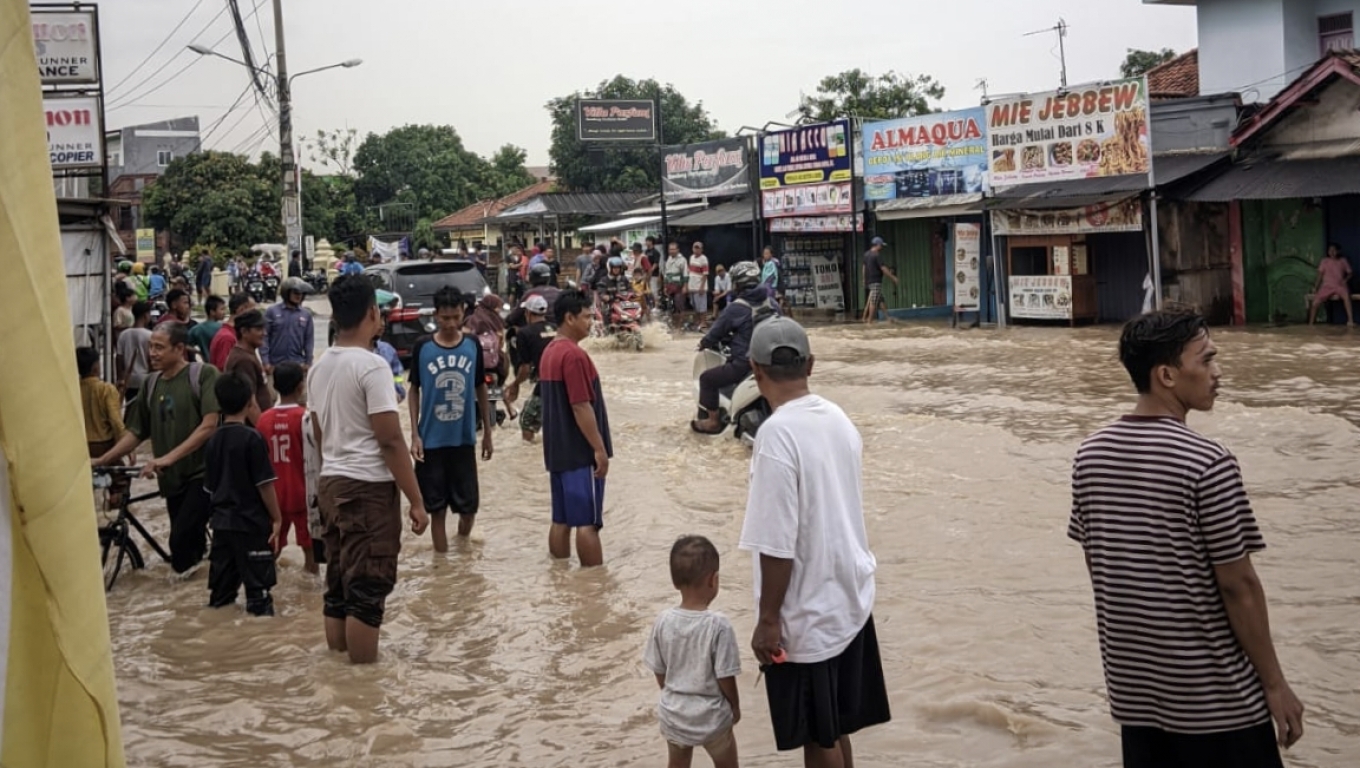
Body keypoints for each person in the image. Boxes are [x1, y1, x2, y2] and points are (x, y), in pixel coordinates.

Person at [1069, 308, 1304, 767]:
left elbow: (1102, 567)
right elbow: (1239, 586)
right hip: (1219, 704)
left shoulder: (1090, 456)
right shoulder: (1208, 462)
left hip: (1137, 700)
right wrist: (1275, 684)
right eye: (1207, 360)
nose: (1217, 373)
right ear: (1167, 375)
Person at [738, 317, 891, 766]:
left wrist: (768, 620)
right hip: (849, 600)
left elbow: (777, 542)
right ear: (811, 364)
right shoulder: (839, 420)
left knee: (816, 737)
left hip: (805, 614)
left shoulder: (775, 436)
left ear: (755, 369)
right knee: (835, 727)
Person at [308, 274, 428, 664]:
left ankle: (340, 672)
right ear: (372, 312)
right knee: (367, 589)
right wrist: (416, 500)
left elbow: (319, 432)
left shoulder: (319, 366)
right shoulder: (372, 366)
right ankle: (362, 683)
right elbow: (390, 440)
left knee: (339, 584)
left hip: (332, 483)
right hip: (366, 488)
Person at [95, 322, 221, 573]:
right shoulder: (150, 384)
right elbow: (136, 432)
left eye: (159, 347)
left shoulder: (204, 374)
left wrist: (167, 458)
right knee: (186, 547)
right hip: (171, 479)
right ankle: (192, 595)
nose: (152, 353)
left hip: (203, 473)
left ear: (179, 348)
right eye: (151, 346)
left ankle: (191, 601)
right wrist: (103, 460)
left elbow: (210, 425)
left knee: (179, 539)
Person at [643, 535, 742, 768]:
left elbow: (659, 670)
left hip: (674, 714)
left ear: (675, 582)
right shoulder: (719, 625)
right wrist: (734, 707)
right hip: (712, 718)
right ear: (713, 580)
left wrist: (672, 693)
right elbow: (725, 677)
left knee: (677, 764)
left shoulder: (663, 621)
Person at [408, 288, 494, 552]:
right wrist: (414, 434)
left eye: (455, 317)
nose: (450, 323)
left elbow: (480, 387)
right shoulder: (423, 347)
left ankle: (463, 548)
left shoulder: (472, 345)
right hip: (431, 443)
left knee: (469, 509)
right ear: (436, 315)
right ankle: (442, 564)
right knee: (437, 510)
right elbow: (414, 390)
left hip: (463, 439)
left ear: (464, 313)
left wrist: (487, 433)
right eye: (444, 318)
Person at [538, 290, 612, 567]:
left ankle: (560, 578)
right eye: (586, 316)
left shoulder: (549, 352)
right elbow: (581, 406)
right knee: (587, 523)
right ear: (569, 318)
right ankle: (593, 587)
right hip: (580, 453)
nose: (591, 322)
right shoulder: (574, 355)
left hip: (557, 452)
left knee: (561, 519)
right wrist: (599, 448)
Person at [204, 372, 281, 616]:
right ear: (250, 401)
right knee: (259, 595)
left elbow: (209, 487)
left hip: (222, 524)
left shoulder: (213, 440)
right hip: (251, 524)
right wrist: (277, 518)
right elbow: (264, 484)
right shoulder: (252, 438)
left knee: (221, 596)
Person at [693, 262, 775, 434]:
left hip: (745, 364)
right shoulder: (772, 303)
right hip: (772, 362)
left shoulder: (736, 307)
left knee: (707, 379)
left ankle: (713, 421)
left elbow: (716, 332)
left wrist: (703, 344)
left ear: (738, 283)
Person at [256, 362, 317, 574]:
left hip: (273, 495)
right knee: (311, 552)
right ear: (301, 387)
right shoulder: (305, 417)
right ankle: (311, 599)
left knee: (272, 547)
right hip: (303, 493)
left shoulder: (263, 420)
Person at [506, 295, 555, 444]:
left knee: (527, 421)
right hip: (564, 381)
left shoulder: (524, 333)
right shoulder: (556, 328)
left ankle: (530, 451)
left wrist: (515, 384)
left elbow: (525, 368)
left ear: (527, 313)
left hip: (546, 382)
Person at [78, 346, 125, 460]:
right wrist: (126, 446)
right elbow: (116, 421)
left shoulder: (74, 389)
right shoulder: (106, 389)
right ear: (95, 367)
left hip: (80, 445)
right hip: (104, 445)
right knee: (120, 476)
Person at [224, 309, 274, 414]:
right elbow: (250, 404)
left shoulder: (248, 354)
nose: (264, 333)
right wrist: (262, 429)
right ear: (244, 332)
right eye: (259, 329)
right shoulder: (243, 361)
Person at [263, 277, 316, 374]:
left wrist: (308, 362)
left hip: (297, 364)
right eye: (295, 292)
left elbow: (309, 340)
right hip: (275, 365)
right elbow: (264, 338)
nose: (299, 296)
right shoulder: (272, 311)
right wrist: (265, 362)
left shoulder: (306, 315)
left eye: (301, 293)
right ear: (287, 293)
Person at [1307, 242, 1354, 326]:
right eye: (1330, 250)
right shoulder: (1324, 261)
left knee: (1346, 296)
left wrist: (1345, 280)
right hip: (1327, 286)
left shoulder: (1343, 261)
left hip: (1339, 285)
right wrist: (1315, 287)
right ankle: (1311, 323)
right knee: (1315, 303)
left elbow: (1350, 273)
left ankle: (1350, 320)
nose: (1332, 252)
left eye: (1334, 250)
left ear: (1338, 251)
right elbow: (1320, 276)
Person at [504, 263, 562, 329]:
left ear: (532, 278)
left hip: (537, 330)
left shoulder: (530, 293)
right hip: (558, 328)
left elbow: (516, 314)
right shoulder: (558, 292)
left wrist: (507, 321)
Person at [116, 300, 154, 401]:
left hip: (129, 379)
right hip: (145, 377)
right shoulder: (150, 335)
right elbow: (151, 358)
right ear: (146, 315)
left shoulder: (123, 335)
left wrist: (120, 378)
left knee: (130, 406)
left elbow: (119, 358)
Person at [211, 293, 258, 370]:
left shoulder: (236, 333)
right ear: (241, 310)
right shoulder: (227, 338)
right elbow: (224, 370)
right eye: (252, 311)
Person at [860, 237, 899, 325]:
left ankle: (888, 318)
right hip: (876, 281)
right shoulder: (877, 255)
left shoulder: (866, 254)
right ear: (877, 245)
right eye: (881, 245)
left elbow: (864, 268)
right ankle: (869, 321)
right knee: (874, 301)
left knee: (880, 299)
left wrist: (864, 279)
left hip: (870, 281)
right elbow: (883, 269)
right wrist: (893, 277)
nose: (881, 247)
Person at [188, 296, 226, 361]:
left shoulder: (197, 329)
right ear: (212, 312)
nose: (224, 312)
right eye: (222, 309)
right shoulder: (222, 328)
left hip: (207, 364)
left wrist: (199, 352)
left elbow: (185, 345)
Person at [687, 242, 711, 327]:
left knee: (702, 305)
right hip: (692, 286)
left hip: (700, 286)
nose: (696, 249)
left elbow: (705, 274)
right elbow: (690, 271)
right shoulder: (691, 257)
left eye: (698, 248)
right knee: (695, 305)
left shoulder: (704, 259)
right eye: (695, 248)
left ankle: (703, 322)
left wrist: (702, 286)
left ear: (701, 249)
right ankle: (698, 321)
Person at [665, 242, 688, 320]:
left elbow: (685, 274)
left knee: (679, 305)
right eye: (670, 249)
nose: (671, 251)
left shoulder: (682, 260)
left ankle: (680, 326)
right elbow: (666, 273)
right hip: (670, 286)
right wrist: (665, 286)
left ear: (678, 250)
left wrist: (685, 286)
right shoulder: (669, 259)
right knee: (670, 306)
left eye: (673, 249)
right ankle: (673, 325)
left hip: (679, 286)